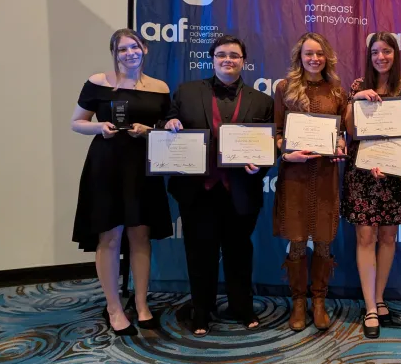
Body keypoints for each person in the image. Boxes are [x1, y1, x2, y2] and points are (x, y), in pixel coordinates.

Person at [164, 35, 274, 336]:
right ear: (212, 59)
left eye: (235, 55)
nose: (228, 59)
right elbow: (171, 119)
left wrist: (259, 166)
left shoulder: (262, 101)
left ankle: (242, 306)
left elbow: (268, 146)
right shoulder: (186, 92)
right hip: (198, 191)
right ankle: (202, 310)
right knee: (200, 253)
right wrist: (170, 123)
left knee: (240, 252)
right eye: (222, 54)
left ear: (243, 61)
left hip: (240, 192)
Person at [71, 29, 172, 336]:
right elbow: (76, 123)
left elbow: (166, 125)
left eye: (135, 46)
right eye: (122, 49)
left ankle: (141, 304)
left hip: (142, 167)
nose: (130, 53)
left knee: (140, 235)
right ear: (114, 54)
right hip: (106, 166)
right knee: (110, 238)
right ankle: (114, 307)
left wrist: (151, 130)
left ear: (145, 49)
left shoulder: (160, 87)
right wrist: (99, 127)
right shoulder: (98, 82)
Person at [342, 32, 401, 339]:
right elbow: (349, 129)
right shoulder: (359, 86)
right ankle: (370, 305)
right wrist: (355, 101)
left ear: (395, 54)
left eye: (386, 51)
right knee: (365, 236)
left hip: (392, 170)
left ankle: (380, 296)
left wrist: (387, 161)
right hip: (362, 171)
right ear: (369, 56)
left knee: (387, 236)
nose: (381, 57)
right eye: (375, 52)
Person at [274, 32, 347, 332]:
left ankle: (319, 300)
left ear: (327, 56)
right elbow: (277, 131)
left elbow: (341, 133)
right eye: (308, 54)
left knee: (324, 241)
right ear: (299, 57)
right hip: (295, 176)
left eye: (319, 53)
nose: (314, 58)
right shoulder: (284, 88)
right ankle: (299, 302)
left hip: (326, 174)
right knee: (297, 241)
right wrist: (286, 153)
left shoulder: (338, 91)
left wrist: (340, 145)